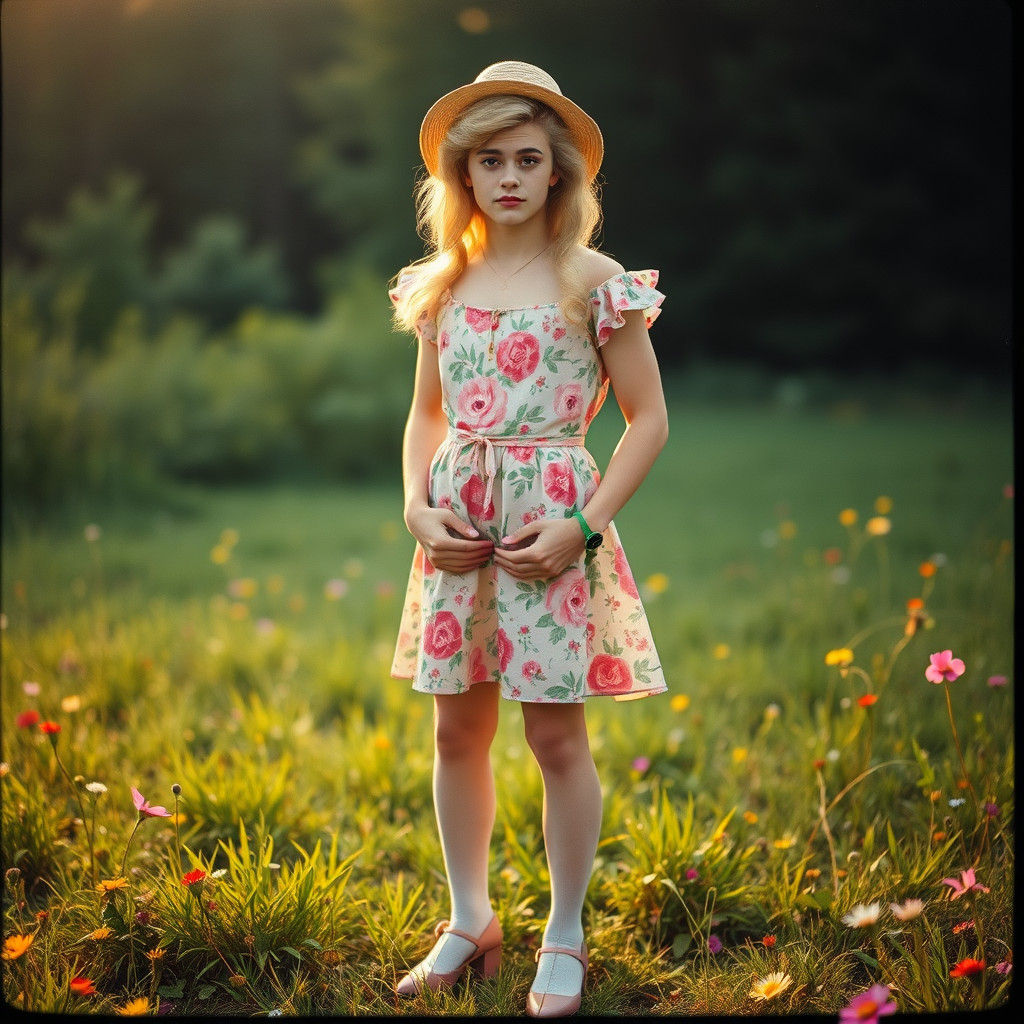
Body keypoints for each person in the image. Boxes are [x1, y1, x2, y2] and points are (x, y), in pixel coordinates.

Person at [388, 60, 669, 1018]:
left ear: (559, 176)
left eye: (528, 160)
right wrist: (418, 508)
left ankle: (565, 930)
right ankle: (470, 918)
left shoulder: (594, 281)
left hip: (553, 523)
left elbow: (647, 421)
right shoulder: (445, 284)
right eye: (489, 162)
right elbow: (425, 417)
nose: (508, 177)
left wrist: (583, 527)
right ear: (462, 179)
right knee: (455, 726)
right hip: (459, 523)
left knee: (554, 732)